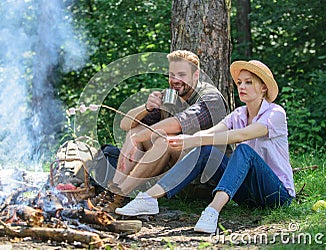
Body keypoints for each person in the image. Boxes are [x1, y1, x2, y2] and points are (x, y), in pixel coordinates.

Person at [115, 60, 295, 234]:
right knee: (205, 150)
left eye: (248, 83)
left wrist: (194, 140)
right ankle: (149, 198)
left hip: (276, 194)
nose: (241, 87)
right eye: (239, 82)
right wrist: (186, 139)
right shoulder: (238, 114)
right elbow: (210, 133)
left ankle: (212, 211)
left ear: (263, 87)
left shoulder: (275, 113)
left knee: (243, 151)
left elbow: (241, 135)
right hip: (247, 196)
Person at [93, 50, 227, 212]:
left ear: (196, 75)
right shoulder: (171, 97)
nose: (175, 80)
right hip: (175, 177)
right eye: (172, 75)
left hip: (208, 180)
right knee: (137, 129)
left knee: (165, 140)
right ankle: (112, 192)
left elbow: (179, 123)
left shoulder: (210, 98)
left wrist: (141, 136)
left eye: (182, 74)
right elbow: (125, 124)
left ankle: (120, 195)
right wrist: (146, 107)